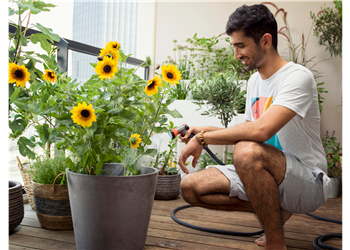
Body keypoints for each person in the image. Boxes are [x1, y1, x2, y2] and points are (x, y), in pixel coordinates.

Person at [178, 4, 331, 250]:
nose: (236, 55)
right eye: (234, 47)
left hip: (307, 180)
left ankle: (276, 243)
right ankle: (274, 209)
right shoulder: (254, 81)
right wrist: (203, 130)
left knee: (246, 151)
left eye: (241, 45)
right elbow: (250, 132)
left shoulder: (297, 77)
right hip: (268, 174)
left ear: (266, 40)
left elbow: (260, 133)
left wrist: (205, 139)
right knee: (191, 187)